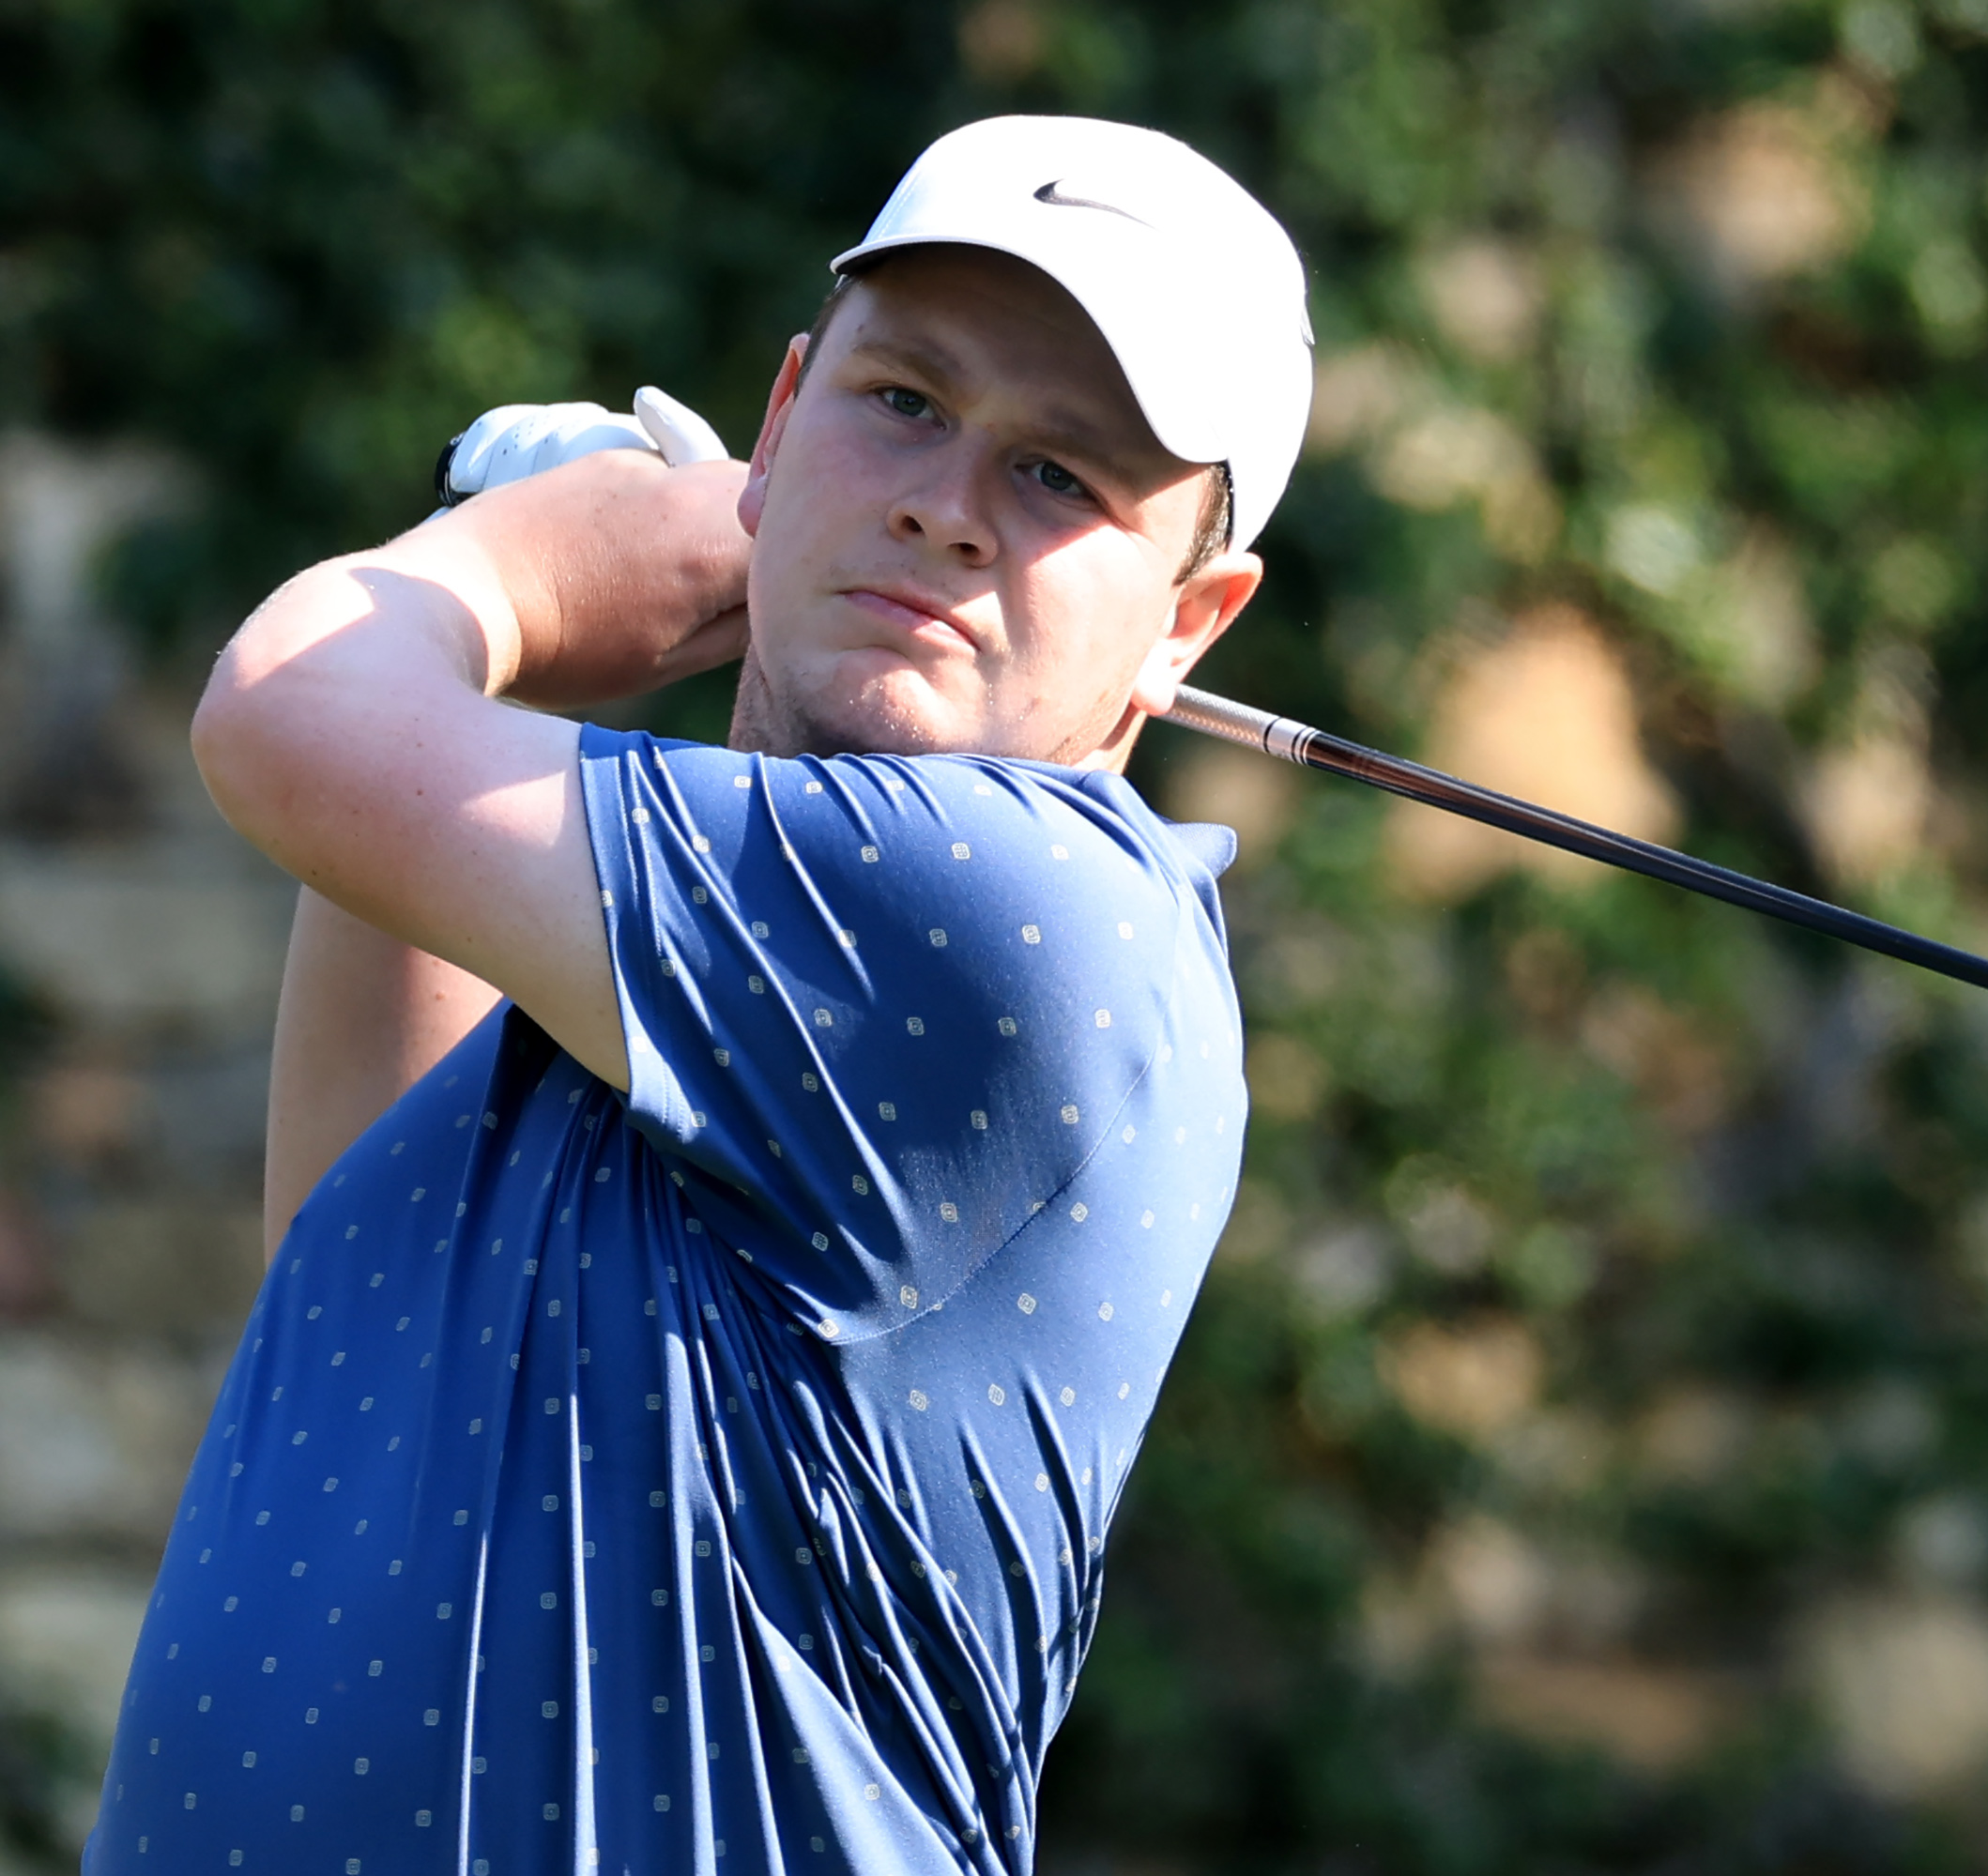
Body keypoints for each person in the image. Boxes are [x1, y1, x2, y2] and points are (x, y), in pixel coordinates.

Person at [84, 114, 1311, 1875]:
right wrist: (514, 605)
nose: (942, 504)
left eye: (1061, 476)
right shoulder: (681, 982)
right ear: (782, 415)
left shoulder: (1027, 913)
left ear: (1192, 621)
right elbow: (357, 1289)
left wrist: (520, 563)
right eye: (903, 400)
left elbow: (288, 717)